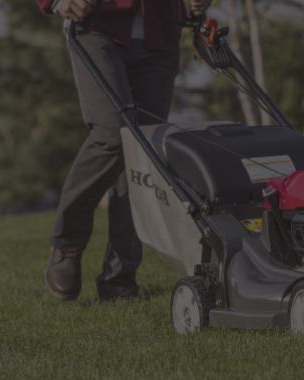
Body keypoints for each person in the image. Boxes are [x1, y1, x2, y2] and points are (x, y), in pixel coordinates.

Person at [39, 0, 209, 301]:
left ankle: (119, 277)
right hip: (97, 24)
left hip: (161, 35)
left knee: (144, 150)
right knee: (113, 131)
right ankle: (67, 244)